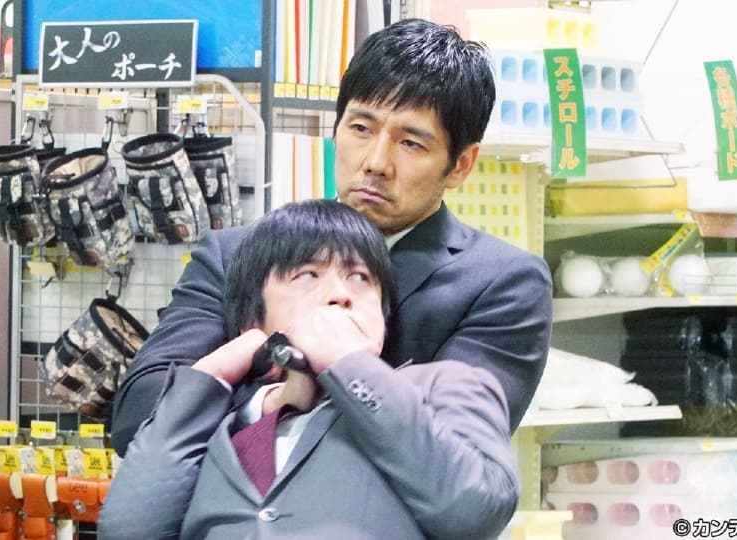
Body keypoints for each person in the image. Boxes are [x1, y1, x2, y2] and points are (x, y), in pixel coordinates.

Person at [110, 18, 553, 454]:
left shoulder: (501, 284)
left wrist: (244, 392)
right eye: (361, 128)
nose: (376, 162)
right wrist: (271, 402)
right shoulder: (234, 254)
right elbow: (138, 416)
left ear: (460, 165)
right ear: (336, 129)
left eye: (410, 143)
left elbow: (452, 454)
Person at [98, 200, 518, 539]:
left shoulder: (443, 385)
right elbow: (130, 530)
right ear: (254, 317)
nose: (339, 293)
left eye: (360, 278)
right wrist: (209, 377)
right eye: (307, 274)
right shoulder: (218, 420)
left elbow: (475, 513)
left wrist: (348, 364)